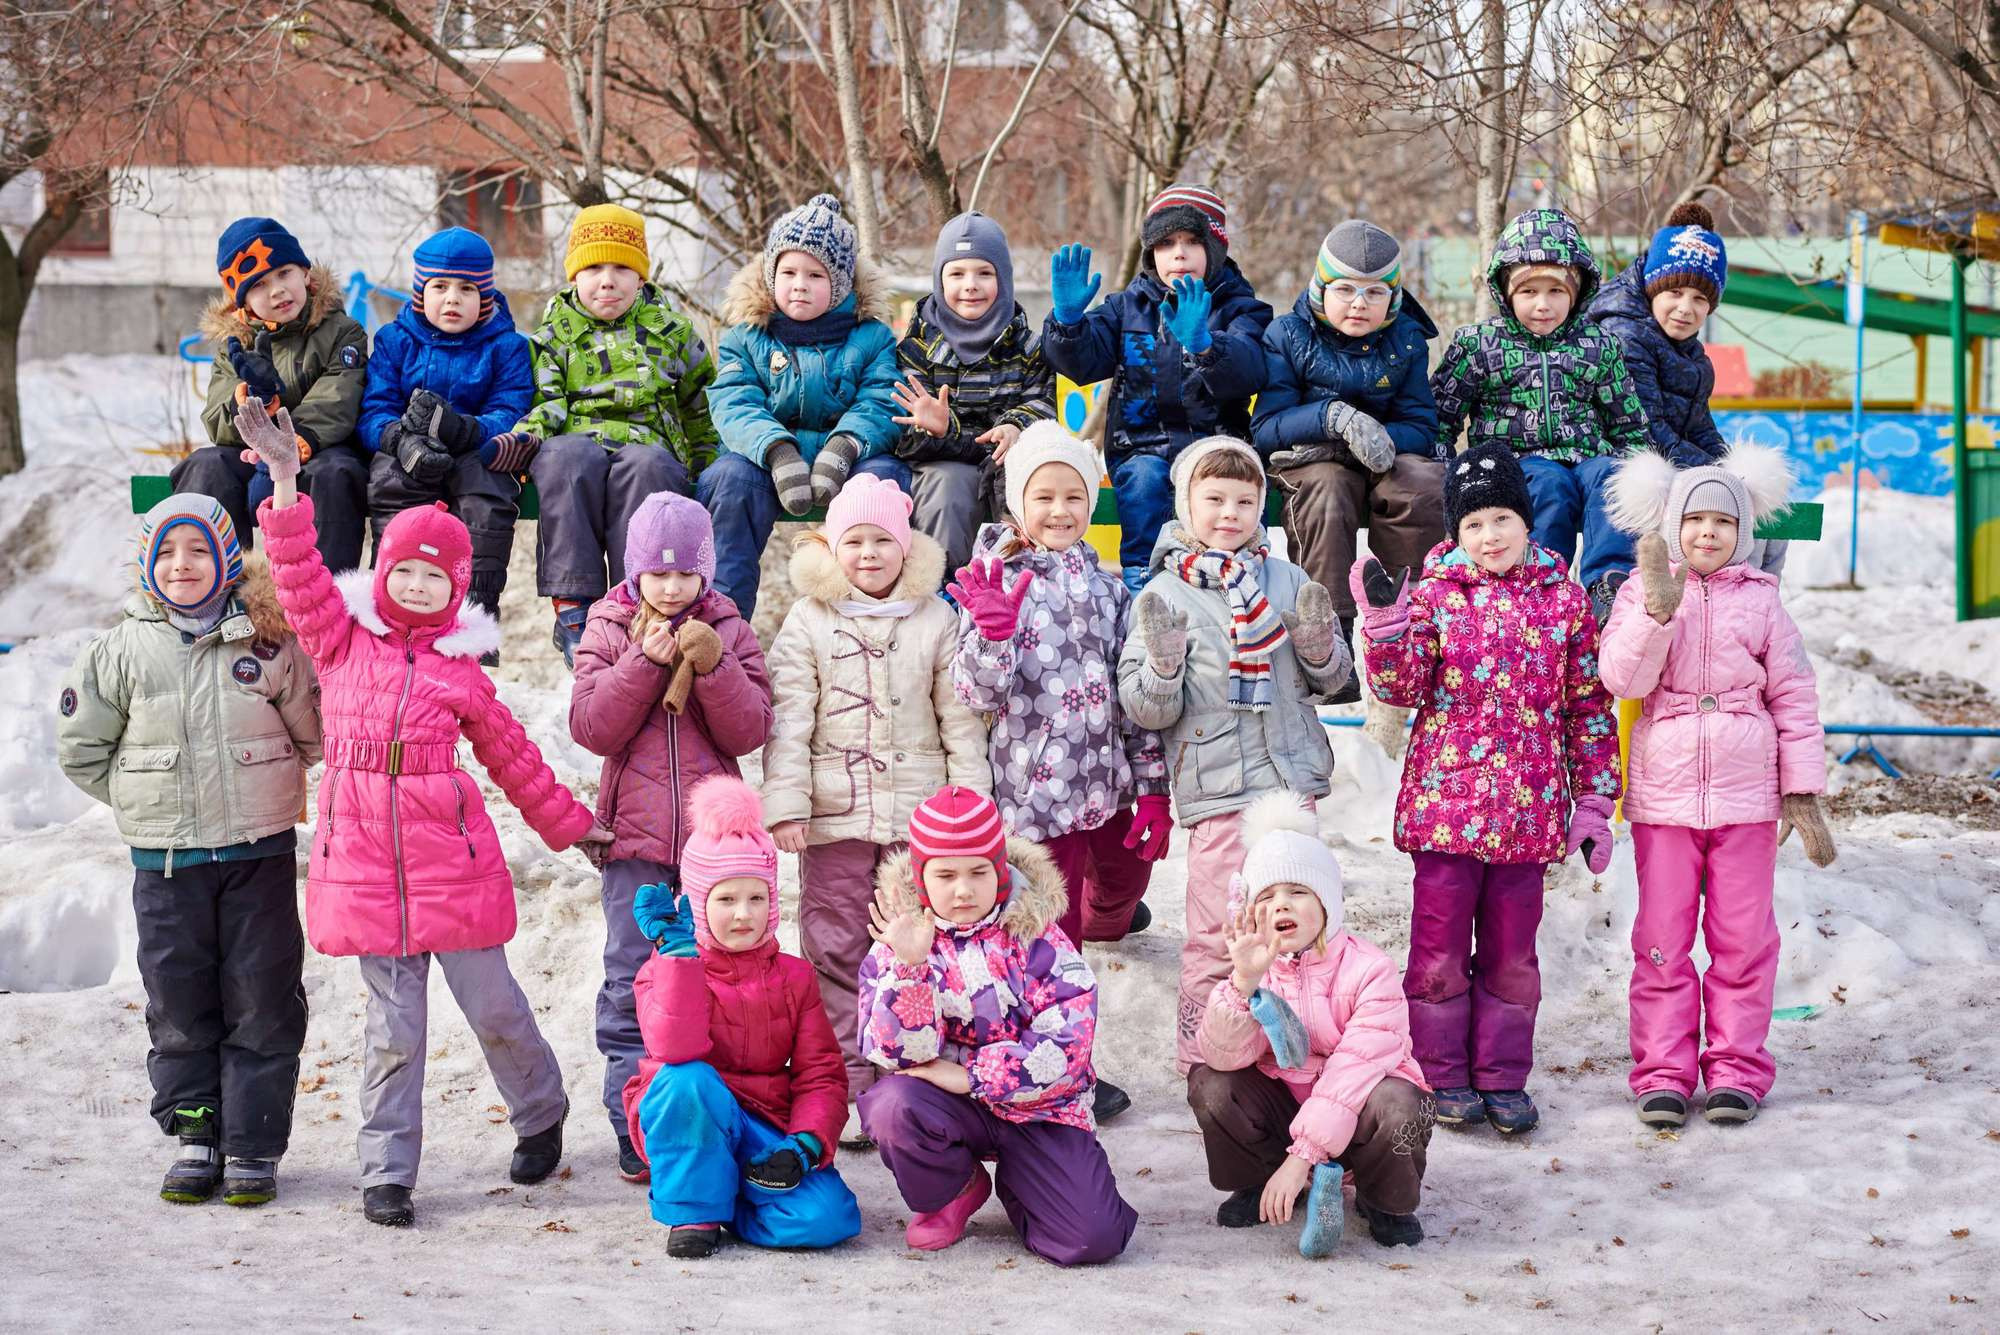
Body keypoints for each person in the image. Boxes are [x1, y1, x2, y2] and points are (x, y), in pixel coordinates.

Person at [239, 401, 613, 1227]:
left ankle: (541, 1107)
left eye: (434, 576)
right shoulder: (339, 640)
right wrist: (286, 477)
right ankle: (386, 1171)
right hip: (366, 862)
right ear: (383, 572)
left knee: (496, 1008)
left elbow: (516, 759)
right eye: (404, 569)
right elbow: (298, 572)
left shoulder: (460, 673)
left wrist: (572, 823)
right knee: (393, 1028)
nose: (416, 584)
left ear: (453, 589)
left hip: (453, 860)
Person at [1349, 441, 1622, 1135]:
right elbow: (1402, 687)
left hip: (1528, 818)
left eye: (1502, 518)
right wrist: (1385, 628)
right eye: (1473, 523)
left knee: (1513, 958)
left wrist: (1593, 800)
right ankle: (1440, 1074)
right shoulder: (1436, 595)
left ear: (1528, 523)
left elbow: (1586, 708)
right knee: (1437, 955)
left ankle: (1502, 1077)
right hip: (1447, 812)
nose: (1489, 535)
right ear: (1456, 532)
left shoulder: (1563, 601)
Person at [57, 495, 321, 1207]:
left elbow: (314, 734)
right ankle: (197, 1134)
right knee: (179, 1000)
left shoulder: (266, 644)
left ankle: (254, 1142)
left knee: (263, 999)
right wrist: (148, 799)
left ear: (227, 560)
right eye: (167, 552)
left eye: (199, 550)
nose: (182, 565)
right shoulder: (119, 651)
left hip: (256, 858)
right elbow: (81, 751)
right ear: (148, 564)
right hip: (165, 867)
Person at [1601, 443, 1835, 1128]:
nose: (1708, 532)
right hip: (1666, 798)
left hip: (1747, 797)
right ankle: (1664, 1070)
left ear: (1743, 533)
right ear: (1673, 525)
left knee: (1743, 938)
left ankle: (1735, 1067)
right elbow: (1623, 678)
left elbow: (1794, 694)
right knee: (1663, 939)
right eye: (1696, 519)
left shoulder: (1762, 603)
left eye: (1723, 523)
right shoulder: (1638, 592)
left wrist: (1801, 789)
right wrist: (1656, 614)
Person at [948, 421, 1172, 1121]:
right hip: (1038, 797)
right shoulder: (996, 579)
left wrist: (1153, 787)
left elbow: (1134, 694)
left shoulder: (1110, 591)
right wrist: (989, 635)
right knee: (1055, 941)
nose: (1059, 511)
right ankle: (1065, 1062)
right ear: (1018, 504)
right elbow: (975, 691)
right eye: (1043, 496)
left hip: (1107, 785)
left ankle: (1109, 916)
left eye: (1073, 495)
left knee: (1128, 882)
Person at [760, 473, 988, 1141]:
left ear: (906, 545)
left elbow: (961, 720)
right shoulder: (809, 618)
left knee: (918, 944)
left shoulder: (936, 617)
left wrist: (969, 812)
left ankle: (913, 1066)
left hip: (918, 822)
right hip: (834, 817)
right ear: (832, 546)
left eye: (882, 540)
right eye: (853, 540)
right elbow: (790, 719)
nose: (868, 554)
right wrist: (787, 803)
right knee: (835, 946)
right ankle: (853, 1077)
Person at [1116, 435, 1350, 1073]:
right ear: (1185, 506)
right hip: (1218, 788)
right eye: (1213, 498)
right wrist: (1164, 667)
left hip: (1288, 784)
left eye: (1244, 501)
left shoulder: (1288, 577)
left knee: (1296, 923)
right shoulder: (1164, 593)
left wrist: (1319, 641)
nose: (1229, 514)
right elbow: (1145, 708)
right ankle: (1207, 1061)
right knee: (1220, 932)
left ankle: (1290, 1053)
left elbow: (1332, 681)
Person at [570, 490, 772, 1180]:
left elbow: (750, 729)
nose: (673, 586)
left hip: (714, 843)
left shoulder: (728, 625)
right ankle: (635, 1113)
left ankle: (714, 1110)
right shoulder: (608, 624)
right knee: (634, 977)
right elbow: (592, 727)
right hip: (633, 839)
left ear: (706, 572)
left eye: (686, 573)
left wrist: (713, 666)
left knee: (715, 973)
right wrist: (643, 664)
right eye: (658, 574)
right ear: (634, 571)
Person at [857, 786, 1138, 1265]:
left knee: (1092, 1238)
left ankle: (1029, 1183)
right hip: (946, 1107)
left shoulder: (1037, 935)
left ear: (1001, 872)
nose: (962, 889)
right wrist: (909, 967)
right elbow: (890, 1052)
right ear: (923, 879)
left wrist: (975, 1076)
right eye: (945, 875)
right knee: (891, 1107)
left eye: (977, 872)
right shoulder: (901, 940)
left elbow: (1068, 1043)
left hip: (1039, 1109)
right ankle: (953, 1189)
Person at [621, 777, 859, 1258]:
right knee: (687, 1079)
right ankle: (695, 1211)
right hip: (688, 1118)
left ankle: (732, 1198)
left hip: (763, 1123)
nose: (743, 914)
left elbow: (820, 1074)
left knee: (830, 1218)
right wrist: (680, 962)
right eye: (726, 900)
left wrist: (805, 1144)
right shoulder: (663, 970)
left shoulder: (794, 977)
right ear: (698, 903)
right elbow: (675, 1050)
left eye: (756, 898)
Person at [1189, 793, 1433, 1255]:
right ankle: (1257, 1182)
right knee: (1210, 1082)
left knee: (1399, 1100)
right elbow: (1222, 1056)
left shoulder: (1370, 970)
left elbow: (1353, 1071)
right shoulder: (1256, 967)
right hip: (1286, 1113)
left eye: (1298, 892)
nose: (1282, 906)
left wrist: (1303, 1156)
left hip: (1358, 1120)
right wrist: (1243, 983)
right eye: (1268, 896)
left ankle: (1385, 1201)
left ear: (1328, 904)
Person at [489, 204, 719, 664]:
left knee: (647, 466)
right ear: (575, 276)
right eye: (593, 268)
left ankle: (635, 599)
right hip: (577, 441)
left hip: (647, 442)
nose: (607, 280)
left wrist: (706, 463)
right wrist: (526, 438)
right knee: (565, 459)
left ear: (641, 277)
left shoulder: (671, 332)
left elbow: (699, 403)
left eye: (621, 268)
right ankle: (574, 605)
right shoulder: (554, 334)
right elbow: (547, 400)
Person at [1042, 185, 1274, 591]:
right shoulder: (1127, 307)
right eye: (1166, 244)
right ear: (1151, 255)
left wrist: (1205, 345)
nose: (1178, 254)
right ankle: (1142, 581)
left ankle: (1226, 582)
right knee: (1146, 480)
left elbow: (1249, 369)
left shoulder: (1241, 308)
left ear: (1215, 249)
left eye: (1191, 242)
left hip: (1215, 445)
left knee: (1216, 494)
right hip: (1140, 444)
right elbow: (1081, 364)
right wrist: (1068, 323)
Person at [1251, 219, 1444, 703]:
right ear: (1321, 288)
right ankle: (1329, 639)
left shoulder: (1406, 341)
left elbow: (1422, 426)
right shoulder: (1288, 335)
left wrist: (1381, 434)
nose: (1359, 304)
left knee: (1420, 482)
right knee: (1329, 491)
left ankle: (1410, 623)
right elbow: (1266, 426)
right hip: (1311, 459)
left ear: (1393, 299)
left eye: (1375, 292)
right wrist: (1332, 418)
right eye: (1345, 290)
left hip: (1383, 459)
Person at [1429, 207, 1650, 620]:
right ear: (1507, 293)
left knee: (1613, 476)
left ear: (1577, 293)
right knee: (1549, 485)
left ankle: (1610, 584)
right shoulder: (1480, 345)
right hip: (1515, 462)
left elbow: (1628, 422)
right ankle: (1539, 586)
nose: (1543, 305)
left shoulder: (1598, 345)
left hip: (1586, 458)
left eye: (1556, 292)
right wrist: (1447, 468)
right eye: (1529, 292)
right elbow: (1441, 415)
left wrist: (1644, 471)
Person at [700, 194, 907, 618]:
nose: (799, 284)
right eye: (788, 271)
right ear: (770, 273)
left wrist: (846, 445)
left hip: (851, 460)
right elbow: (734, 401)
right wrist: (776, 449)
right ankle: (722, 618)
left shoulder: (872, 337)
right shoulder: (746, 337)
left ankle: (874, 613)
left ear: (842, 285)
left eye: (815, 275)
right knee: (728, 480)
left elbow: (881, 398)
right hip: (761, 460)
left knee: (885, 479)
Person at [1588, 202, 1787, 575]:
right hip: (1629, 462)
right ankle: (1725, 594)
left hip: (1671, 461)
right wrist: (1714, 473)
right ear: (1652, 289)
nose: (1686, 308)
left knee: (1765, 516)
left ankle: (1757, 602)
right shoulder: (1626, 335)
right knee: (1726, 508)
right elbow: (1646, 426)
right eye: (1674, 292)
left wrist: (1729, 464)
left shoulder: (1689, 352)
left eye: (1700, 299)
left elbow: (1698, 425)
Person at [358, 226, 533, 634]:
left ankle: (477, 609)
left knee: (488, 486)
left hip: (474, 449)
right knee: (391, 478)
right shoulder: (394, 341)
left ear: (485, 296)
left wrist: (467, 429)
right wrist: (399, 441)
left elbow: (511, 406)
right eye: (440, 286)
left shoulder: (507, 346)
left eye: (467, 290)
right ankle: (389, 602)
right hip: (409, 451)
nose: (452, 298)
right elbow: (373, 409)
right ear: (421, 292)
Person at [171, 216, 369, 571]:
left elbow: (339, 397)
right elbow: (217, 420)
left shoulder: (342, 331)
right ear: (242, 301)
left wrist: (286, 444)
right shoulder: (235, 345)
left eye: (284, 273)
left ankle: (326, 596)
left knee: (336, 472)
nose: (277, 290)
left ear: (305, 274)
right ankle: (217, 588)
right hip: (252, 460)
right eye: (259, 284)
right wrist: (253, 400)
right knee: (206, 464)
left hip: (315, 453)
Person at [892, 210, 1056, 574]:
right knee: (950, 486)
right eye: (957, 273)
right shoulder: (917, 349)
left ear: (1004, 279)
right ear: (939, 279)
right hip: (940, 467)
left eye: (985, 273)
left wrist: (1016, 425)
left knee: (1035, 485)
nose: (971, 285)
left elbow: (1043, 402)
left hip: (1008, 464)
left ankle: (1030, 587)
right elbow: (901, 430)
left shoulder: (1027, 347)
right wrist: (935, 428)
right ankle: (947, 593)